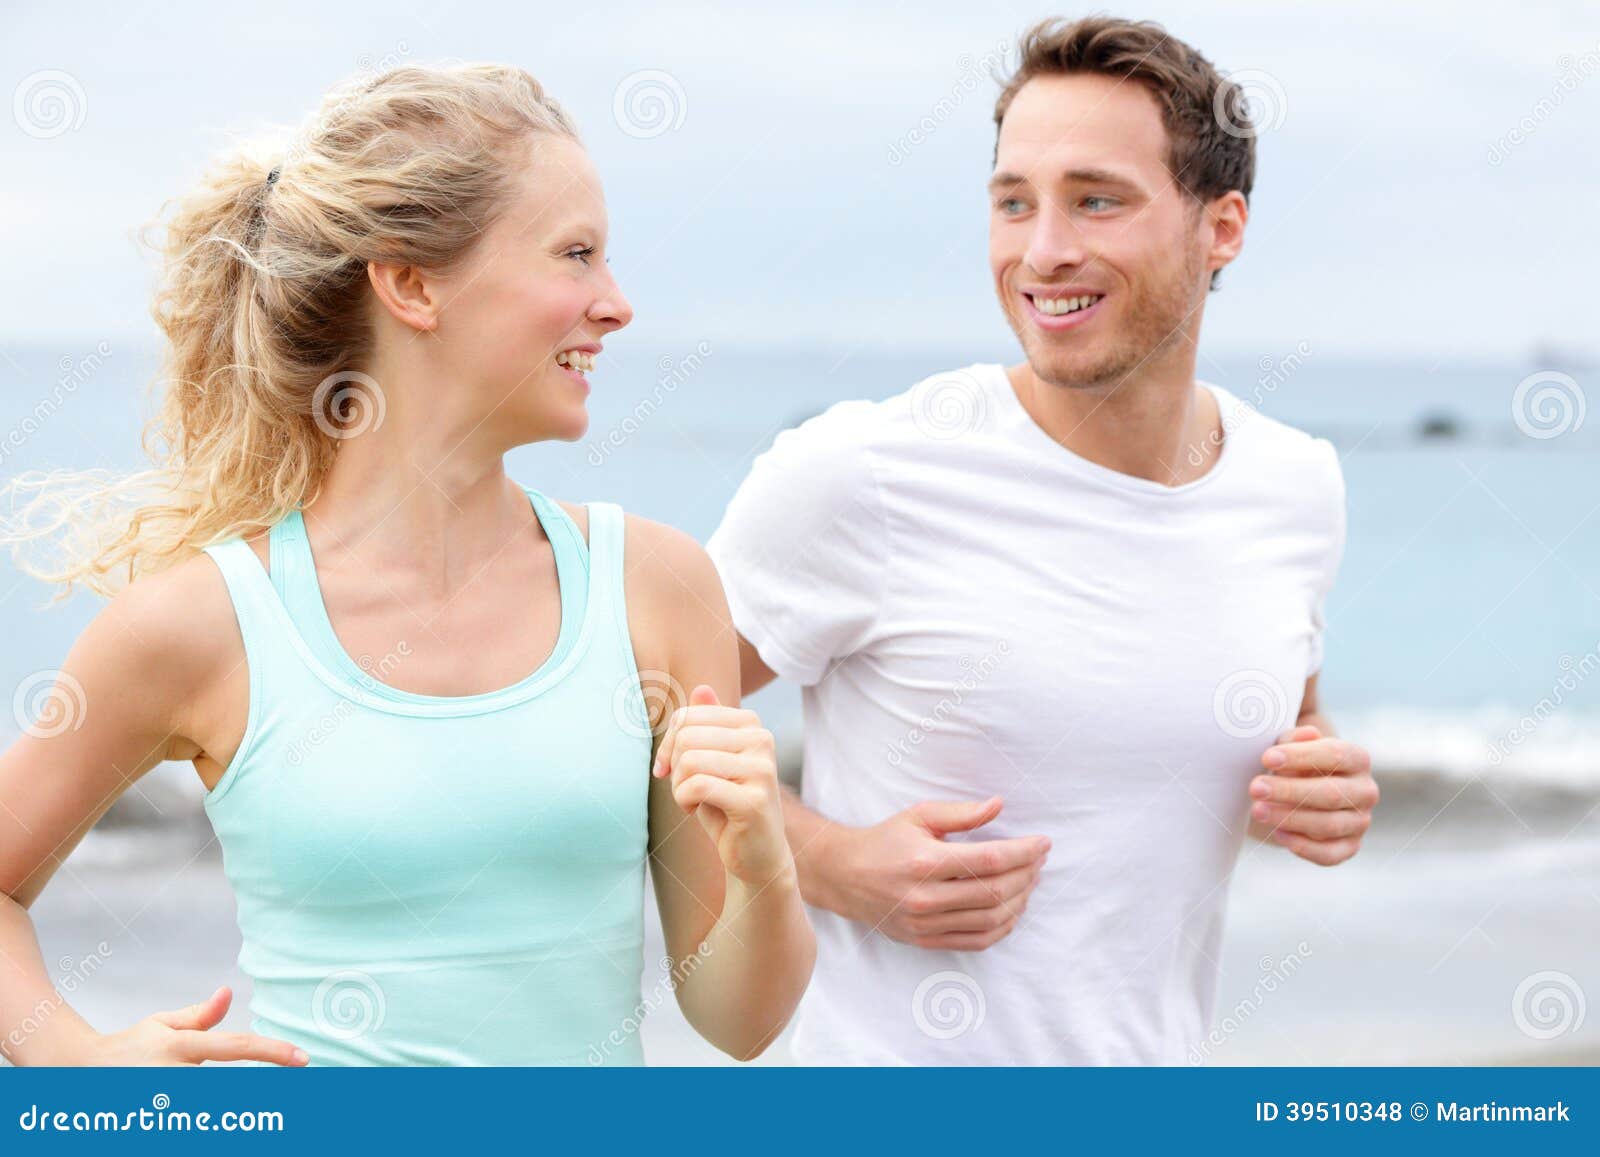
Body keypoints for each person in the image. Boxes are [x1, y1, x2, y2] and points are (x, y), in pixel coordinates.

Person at [0, 63, 813, 1066]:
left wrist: (765, 867)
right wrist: (71, 1055)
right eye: (576, 255)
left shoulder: (656, 584)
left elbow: (738, 1020)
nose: (616, 305)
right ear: (414, 283)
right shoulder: (203, 622)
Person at [693, 16, 1379, 1064]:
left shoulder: (1294, 485)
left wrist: (1321, 794)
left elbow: (1281, 725)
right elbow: (634, 719)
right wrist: (831, 864)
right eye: (1014, 202)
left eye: (1095, 198)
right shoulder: (862, 473)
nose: (1043, 249)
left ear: (1221, 226)